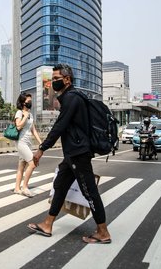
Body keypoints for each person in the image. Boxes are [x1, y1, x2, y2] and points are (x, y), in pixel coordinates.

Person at [28, 64, 111, 244]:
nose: (53, 82)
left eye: (56, 79)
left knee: (89, 191)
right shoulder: (73, 97)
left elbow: (60, 126)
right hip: (73, 153)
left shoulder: (72, 98)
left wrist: (42, 148)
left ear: (67, 79)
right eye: (52, 79)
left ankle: (103, 232)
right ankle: (48, 224)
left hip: (78, 153)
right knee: (60, 185)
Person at [13, 93, 42, 197]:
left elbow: (33, 130)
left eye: (31, 101)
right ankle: (25, 187)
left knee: (21, 166)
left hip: (28, 143)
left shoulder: (31, 114)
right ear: (23, 102)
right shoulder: (19, 113)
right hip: (21, 142)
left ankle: (17, 188)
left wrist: (41, 142)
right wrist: (25, 116)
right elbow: (18, 126)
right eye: (28, 101)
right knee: (32, 164)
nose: (30, 103)